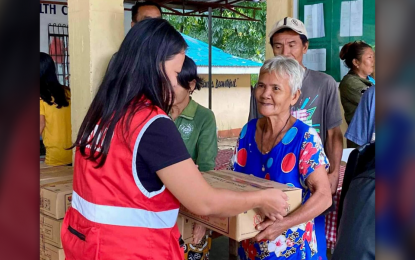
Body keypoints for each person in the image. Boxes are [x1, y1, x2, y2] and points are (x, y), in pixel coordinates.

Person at [61, 19, 290, 260]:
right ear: (154, 66)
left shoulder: (104, 112)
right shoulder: (151, 123)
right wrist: (263, 197)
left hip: (87, 245)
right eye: (176, 73)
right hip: (131, 249)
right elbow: (203, 201)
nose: (177, 83)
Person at [232, 56, 332, 260]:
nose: (265, 94)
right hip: (251, 246)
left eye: (276, 88)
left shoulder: (305, 138)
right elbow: (234, 183)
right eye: (261, 85)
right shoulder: (248, 131)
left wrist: (283, 224)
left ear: (294, 96)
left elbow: (323, 196)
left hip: (291, 249)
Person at [171, 56, 218, 260]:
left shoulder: (203, 117)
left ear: (190, 84)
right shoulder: (155, 112)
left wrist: (202, 218)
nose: (166, 89)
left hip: (191, 207)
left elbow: (207, 168)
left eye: (174, 84)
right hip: (159, 208)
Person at [107, 1, 162, 70]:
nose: (155, 26)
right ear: (134, 26)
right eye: (147, 21)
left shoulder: (172, 55)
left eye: (158, 21)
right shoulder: (121, 59)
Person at [39, 52, 72, 166]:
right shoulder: (67, 92)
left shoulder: (40, 97)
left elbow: (40, 125)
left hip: (55, 156)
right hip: (73, 152)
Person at [339, 41, 375, 125]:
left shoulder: (370, 78)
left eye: (373, 56)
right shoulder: (350, 83)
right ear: (356, 62)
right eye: (369, 57)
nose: (373, 60)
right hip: (364, 136)